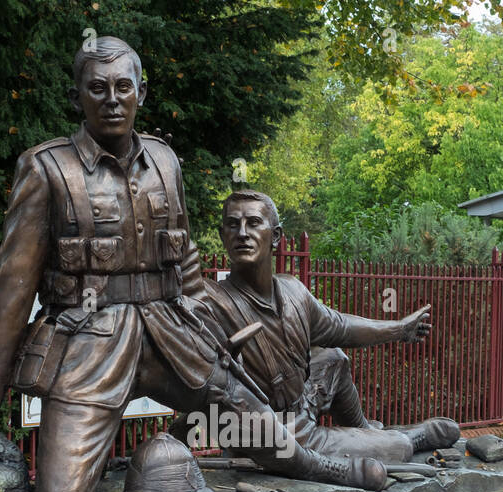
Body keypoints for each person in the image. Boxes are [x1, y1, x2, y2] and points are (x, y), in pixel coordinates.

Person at [0, 37, 388, 492]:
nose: (112, 100)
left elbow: (184, 261)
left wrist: (207, 326)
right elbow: (12, 292)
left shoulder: (165, 161)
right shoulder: (46, 169)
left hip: (170, 336)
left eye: (123, 87)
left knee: (257, 428)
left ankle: (322, 467)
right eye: (98, 88)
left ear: (141, 94)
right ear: (76, 98)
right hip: (90, 344)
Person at [197, 190, 462, 461]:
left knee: (333, 357)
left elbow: (341, 327)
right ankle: (402, 439)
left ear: (275, 236)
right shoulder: (208, 303)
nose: (242, 232)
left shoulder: (292, 291)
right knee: (399, 449)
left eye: (253, 222)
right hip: (273, 436)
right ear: (222, 236)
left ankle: (363, 430)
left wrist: (400, 328)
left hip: (298, 406)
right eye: (232, 224)